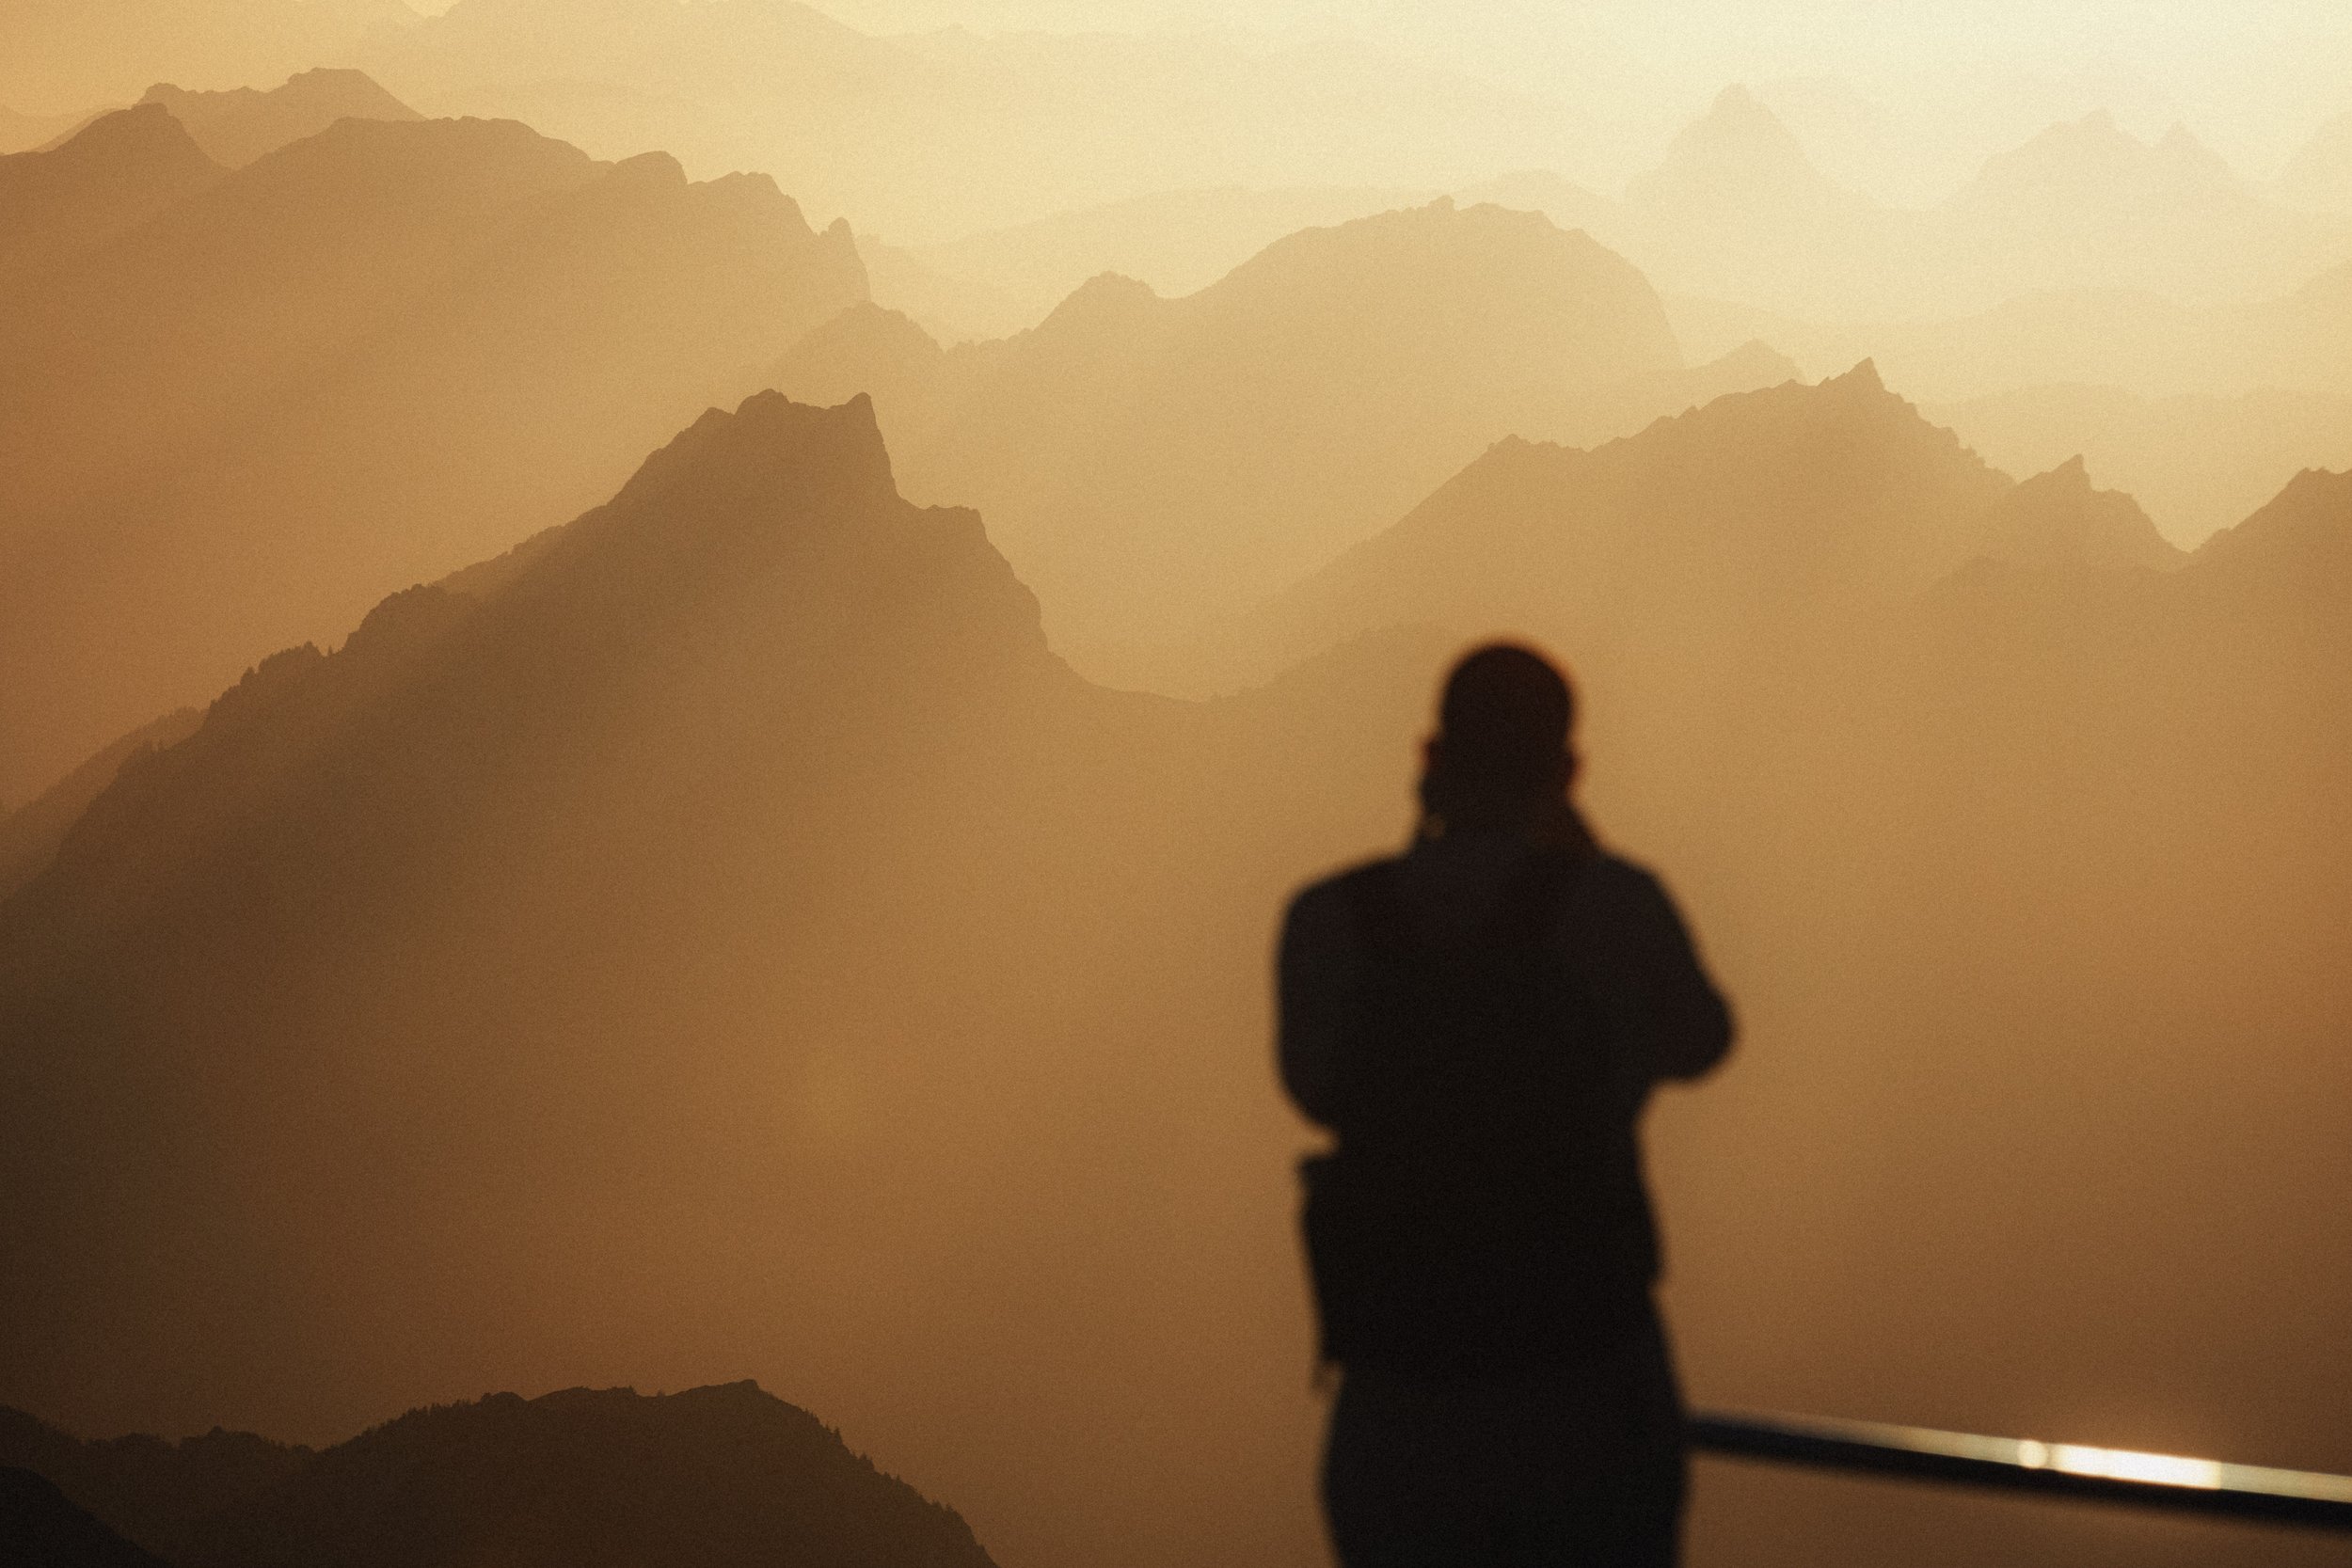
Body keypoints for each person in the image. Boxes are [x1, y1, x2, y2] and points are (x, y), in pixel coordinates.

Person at [1277, 642, 1733, 1568]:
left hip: (1400, 1397)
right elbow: (1702, 1040)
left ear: (1430, 754)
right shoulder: (1616, 905)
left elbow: (1312, 1087)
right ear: (1566, 770)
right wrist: (1583, 857)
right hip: (1583, 1381)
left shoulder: (1330, 918)